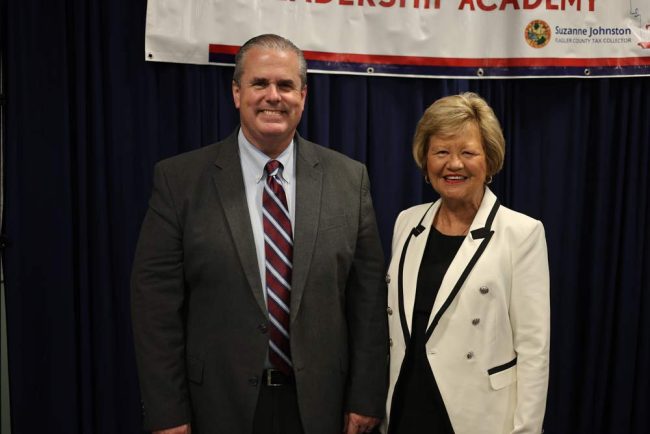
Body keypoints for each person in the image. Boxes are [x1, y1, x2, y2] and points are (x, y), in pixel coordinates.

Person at [131, 34, 388, 434]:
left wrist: (367, 396)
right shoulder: (179, 181)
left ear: (303, 95)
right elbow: (155, 307)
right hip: (215, 407)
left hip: (323, 406)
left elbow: (369, 300)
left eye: (285, 85)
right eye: (259, 84)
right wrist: (167, 412)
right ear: (236, 93)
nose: (273, 96)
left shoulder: (348, 179)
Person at [381, 93, 550, 434]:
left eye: (467, 152)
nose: (453, 164)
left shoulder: (521, 233)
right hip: (405, 408)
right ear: (425, 161)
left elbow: (534, 347)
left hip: (476, 415)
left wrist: (527, 429)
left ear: (489, 159)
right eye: (441, 152)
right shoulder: (407, 223)